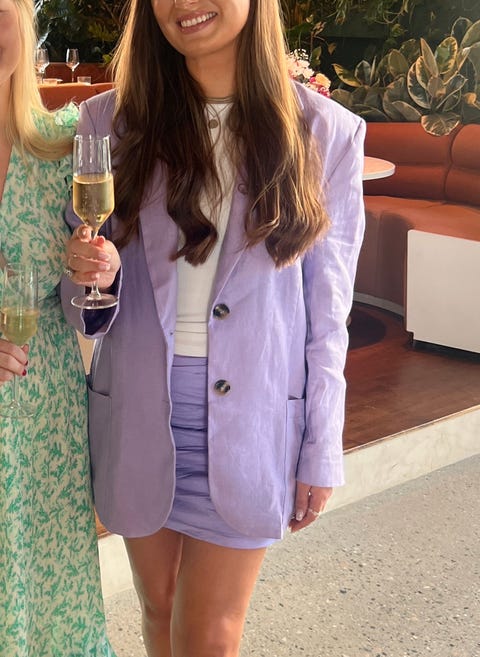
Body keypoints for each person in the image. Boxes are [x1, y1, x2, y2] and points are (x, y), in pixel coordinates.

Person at [61, 0, 365, 654]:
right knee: (159, 608)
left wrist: (321, 445)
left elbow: (327, 315)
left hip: (254, 420)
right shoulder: (109, 122)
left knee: (208, 635)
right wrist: (92, 275)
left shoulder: (324, 132)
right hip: (139, 413)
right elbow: (81, 301)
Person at [0, 1, 116, 655]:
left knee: (50, 596)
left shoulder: (67, 143)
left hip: (45, 404)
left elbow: (88, 298)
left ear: (24, 20)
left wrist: (97, 267)